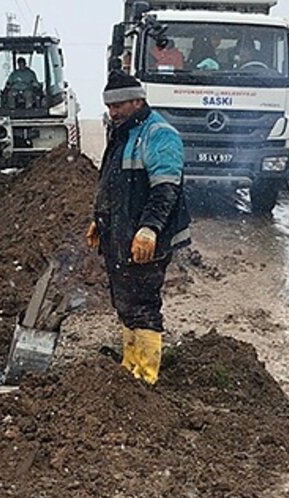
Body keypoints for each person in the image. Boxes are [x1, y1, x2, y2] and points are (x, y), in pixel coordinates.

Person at [86, 70, 191, 385]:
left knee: (143, 303)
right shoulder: (122, 133)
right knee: (125, 301)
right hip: (119, 234)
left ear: (138, 100)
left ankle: (145, 376)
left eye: (118, 106)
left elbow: (165, 190)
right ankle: (129, 366)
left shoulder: (159, 134)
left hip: (145, 238)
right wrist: (100, 219)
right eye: (109, 106)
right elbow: (112, 185)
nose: (112, 112)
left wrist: (149, 229)